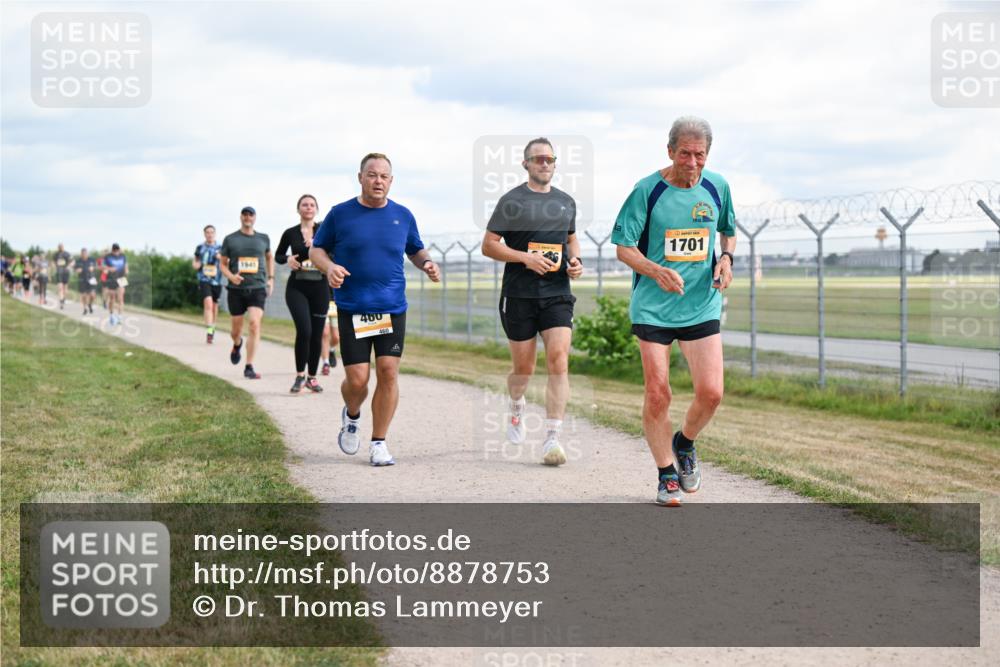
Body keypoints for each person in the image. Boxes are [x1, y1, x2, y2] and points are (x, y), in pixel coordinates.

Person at [611, 116, 736, 506]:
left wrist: (727, 259)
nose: (693, 162)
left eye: (700, 154)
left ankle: (684, 442)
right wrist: (655, 270)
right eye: (685, 153)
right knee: (658, 393)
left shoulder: (718, 187)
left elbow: (728, 230)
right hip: (654, 308)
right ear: (670, 151)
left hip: (701, 303)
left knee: (712, 393)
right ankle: (666, 473)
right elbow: (624, 247)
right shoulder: (646, 191)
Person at [309, 152, 441, 466]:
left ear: (391, 181)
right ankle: (352, 415)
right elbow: (316, 249)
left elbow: (415, 248)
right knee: (357, 380)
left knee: (388, 373)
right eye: (372, 175)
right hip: (353, 307)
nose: (378, 181)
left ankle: (379, 442)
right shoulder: (340, 214)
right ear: (360, 178)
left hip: (392, 307)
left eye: (384, 176)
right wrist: (328, 268)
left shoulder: (403, 215)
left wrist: (427, 263)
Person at [481, 137, 583, 466]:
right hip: (519, 294)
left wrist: (575, 260)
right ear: (525, 164)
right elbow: (489, 245)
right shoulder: (512, 201)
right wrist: (525, 258)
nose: (544, 163)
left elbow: (570, 238)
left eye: (549, 158)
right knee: (523, 369)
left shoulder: (566, 202)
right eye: (537, 159)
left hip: (557, 293)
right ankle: (517, 405)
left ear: (555, 163)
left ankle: (552, 437)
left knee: (558, 359)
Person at [275, 195, 327, 393]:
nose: (308, 207)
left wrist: (317, 246)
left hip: (320, 287)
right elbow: (279, 255)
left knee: (316, 334)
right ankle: (299, 376)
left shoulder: (324, 230)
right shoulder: (290, 233)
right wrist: (288, 258)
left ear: (316, 209)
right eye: (304, 204)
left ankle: (312, 378)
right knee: (304, 331)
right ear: (298, 209)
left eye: (312, 204)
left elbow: (336, 252)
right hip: (297, 287)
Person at [219, 206, 273, 379]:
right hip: (236, 289)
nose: (248, 217)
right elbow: (222, 264)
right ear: (241, 217)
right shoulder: (230, 239)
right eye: (245, 214)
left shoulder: (263, 238)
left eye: (251, 214)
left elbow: (269, 257)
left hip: (257, 287)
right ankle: (237, 343)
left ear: (255, 218)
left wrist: (270, 278)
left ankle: (249, 366)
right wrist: (231, 277)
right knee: (236, 330)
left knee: (254, 324)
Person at [193, 225, 223, 343]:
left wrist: (221, 257)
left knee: (215, 307)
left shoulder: (221, 247)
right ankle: (209, 331)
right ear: (204, 234)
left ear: (215, 234)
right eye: (207, 233)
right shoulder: (200, 247)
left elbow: (228, 261)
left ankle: (213, 326)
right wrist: (196, 265)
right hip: (204, 279)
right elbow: (195, 260)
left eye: (212, 232)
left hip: (217, 280)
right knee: (208, 304)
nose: (210, 234)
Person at [103, 243, 129, 325]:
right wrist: (109, 268)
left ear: (119, 249)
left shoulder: (123, 256)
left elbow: (126, 265)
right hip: (111, 279)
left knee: (120, 298)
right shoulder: (107, 257)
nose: (116, 252)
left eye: (117, 250)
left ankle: (120, 317)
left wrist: (127, 270)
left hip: (121, 278)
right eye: (115, 251)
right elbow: (102, 266)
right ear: (112, 250)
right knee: (112, 299)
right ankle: (111, 315)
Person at [321, 289, 339, 375]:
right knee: (325, 332)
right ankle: (326, 363)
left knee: (336, 337)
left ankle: (331, 349)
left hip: (335, 304)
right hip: (322, 301)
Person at [74, 247, 98, 315]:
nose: (84, 255)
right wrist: (77, 270)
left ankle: (90, 304)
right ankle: (85, 309)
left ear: (87, 254)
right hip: (82, 279)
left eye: (85, 253)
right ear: (81, 254)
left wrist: (93, 268)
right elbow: (75, 269)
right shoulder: (78, 261)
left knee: (93, 295)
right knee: (84, 295)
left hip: (91, 278)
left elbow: (96, 267)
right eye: (83, 254)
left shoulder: (92, 260)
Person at [53, 243, 72, 309]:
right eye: (59, 247)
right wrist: (55, 267)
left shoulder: (67, 254)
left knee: (65, 288)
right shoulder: (56, 254)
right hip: (59, 272)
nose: (60, 248)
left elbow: (72, 261)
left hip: (66, 272)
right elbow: (54, 262)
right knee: (60, 287)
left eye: (61, 247)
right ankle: (61, 301)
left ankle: (64, 299)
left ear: (63, 247)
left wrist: (69, 266)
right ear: (58, 247)